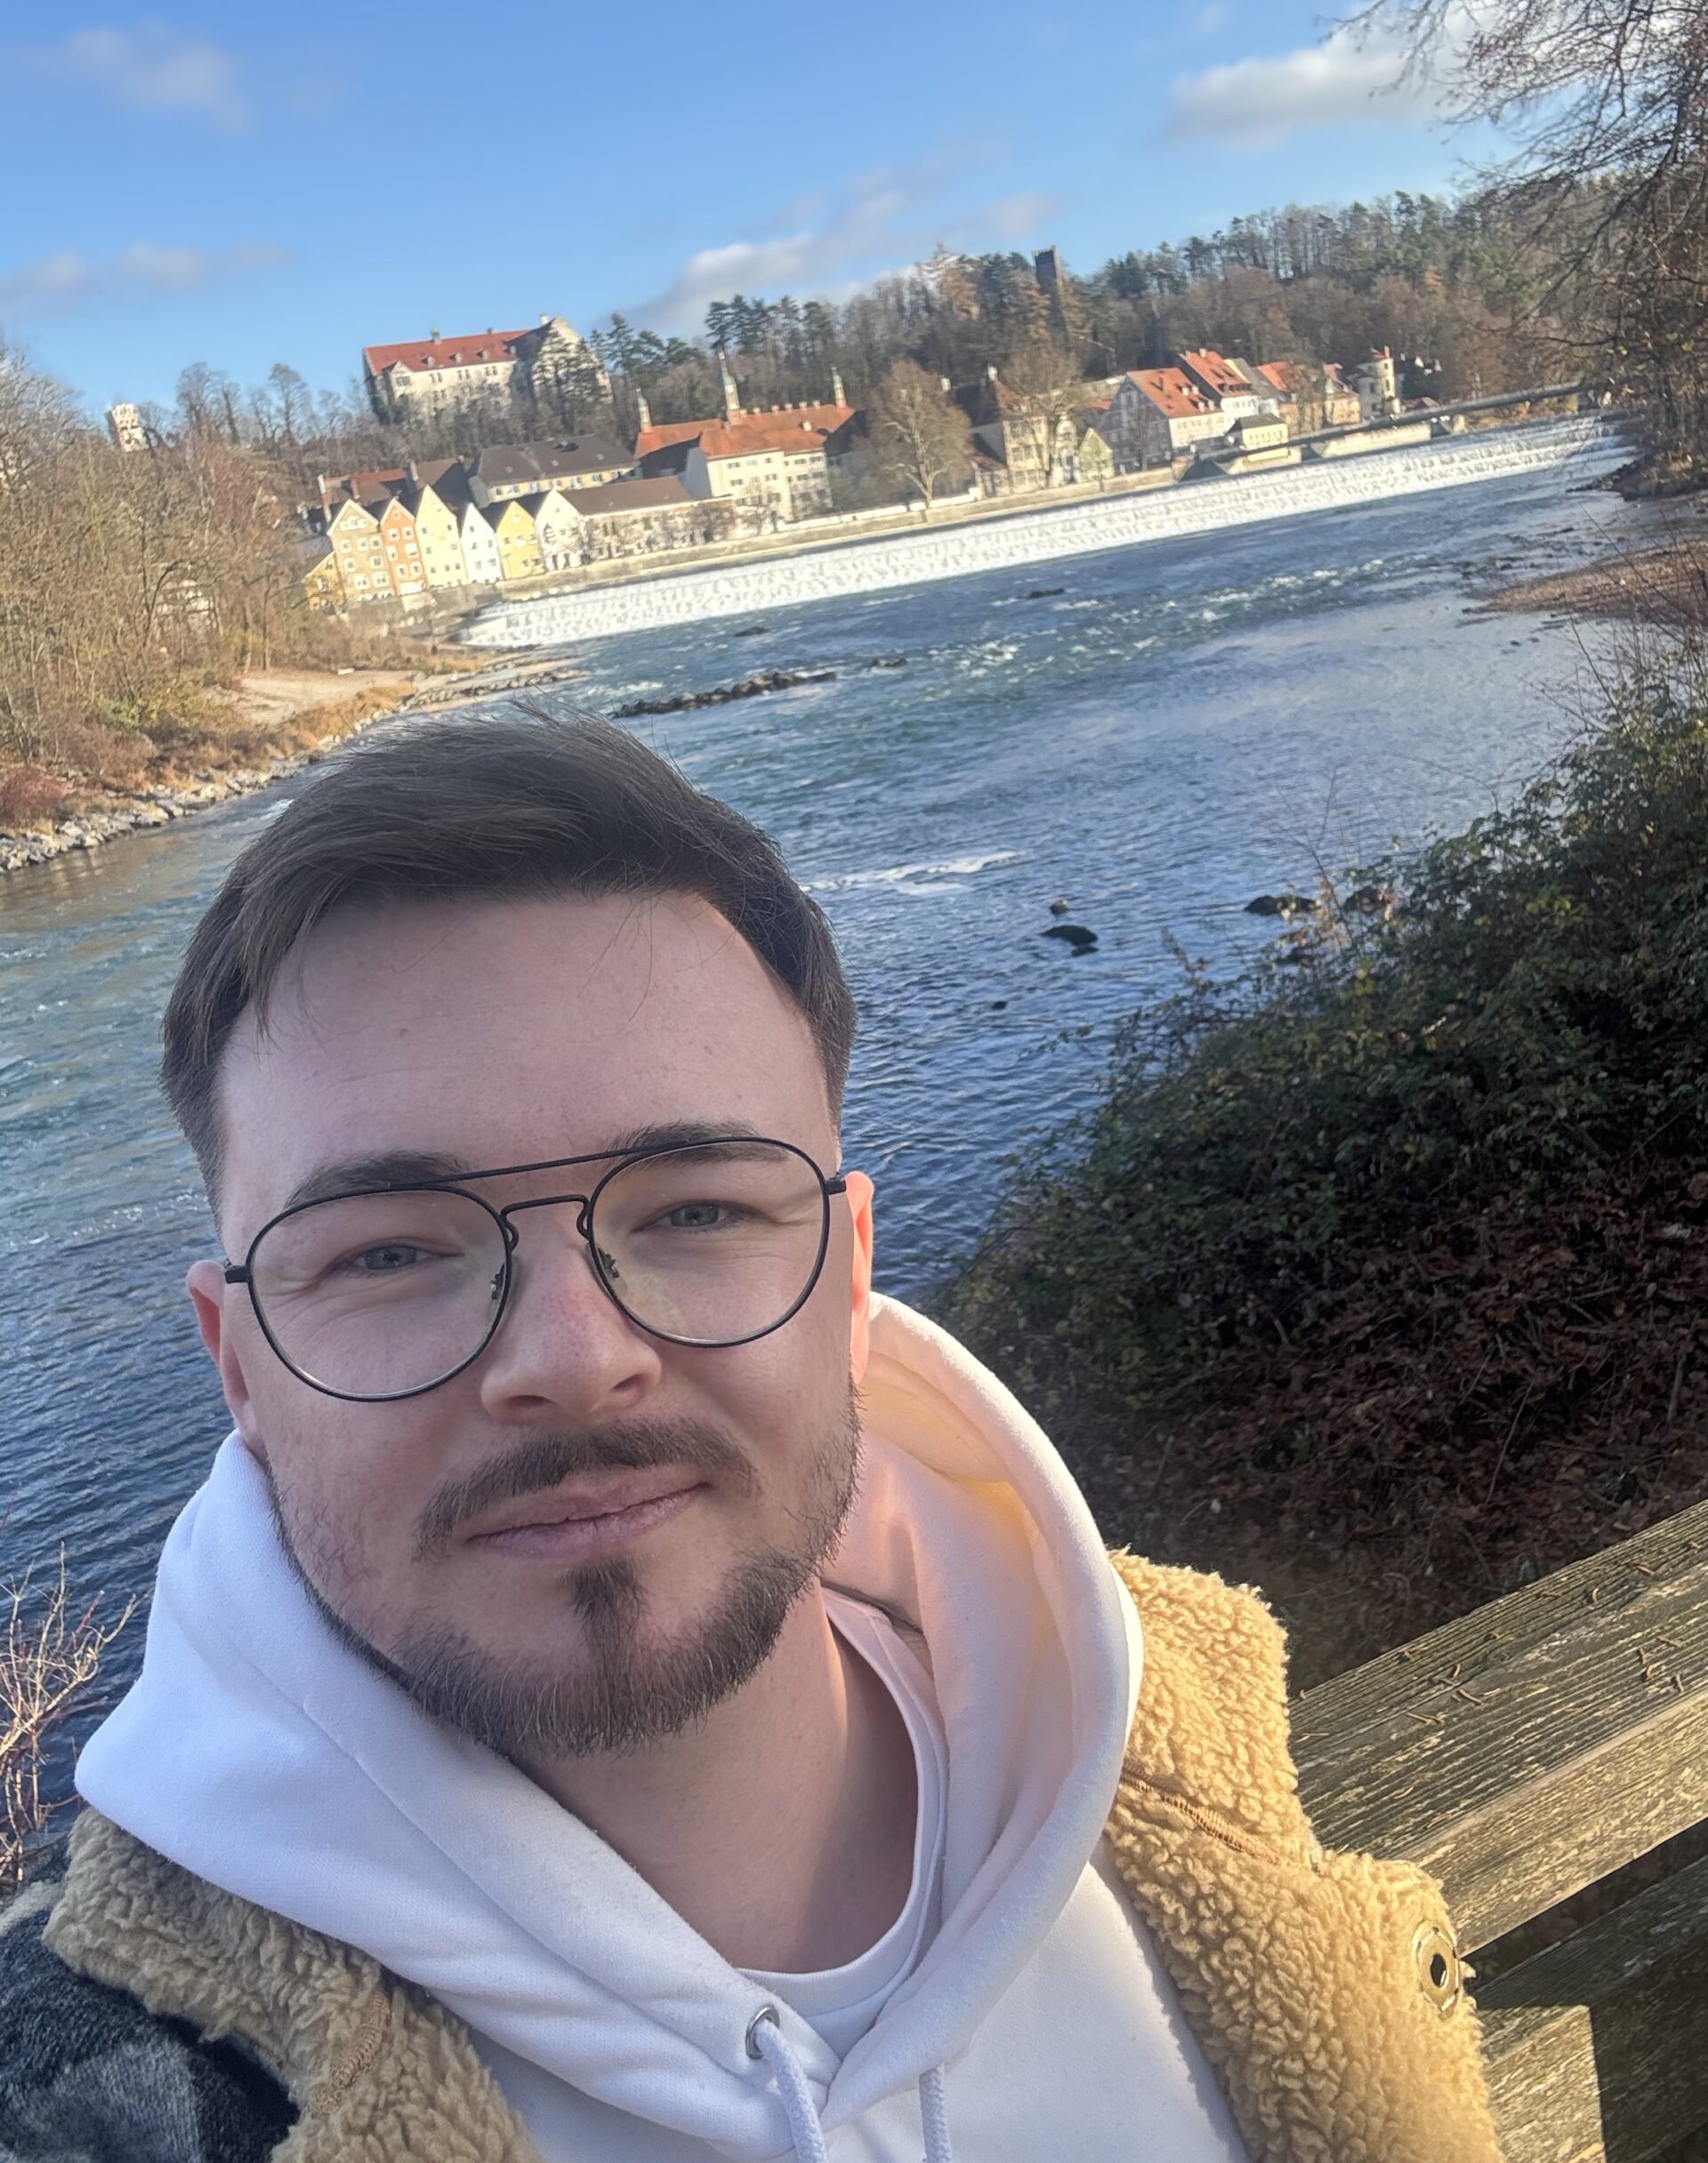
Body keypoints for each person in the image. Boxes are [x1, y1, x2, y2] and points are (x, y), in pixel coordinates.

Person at [0, 714, 1502, 2163]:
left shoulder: (1182, 1758)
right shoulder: (90, 2079)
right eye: (387, 1252)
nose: (575, 1359)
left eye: (699, 1209)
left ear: (849, 1283)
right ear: (239, 1364)